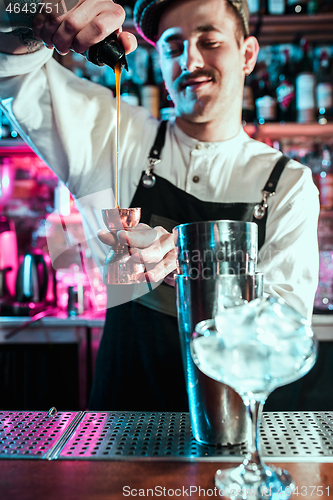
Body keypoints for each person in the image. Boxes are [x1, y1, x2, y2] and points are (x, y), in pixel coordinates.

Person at [0, 0, 319, 411]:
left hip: (230, 436)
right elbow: (15, 78)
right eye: (172, 46)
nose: (189, 58)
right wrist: (33, 19)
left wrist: (193, 267)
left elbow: (287, 335)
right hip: (120, 432)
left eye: (210, 40)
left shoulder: (287, 183)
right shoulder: (112, 138)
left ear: (248, 54)